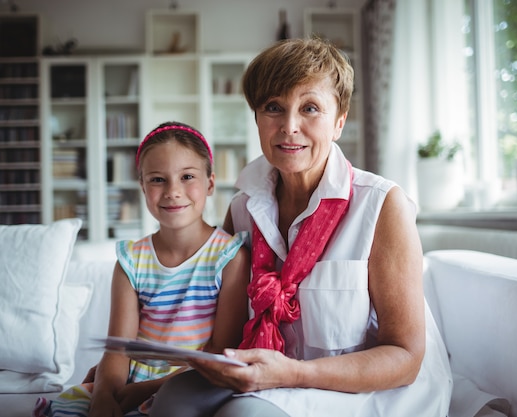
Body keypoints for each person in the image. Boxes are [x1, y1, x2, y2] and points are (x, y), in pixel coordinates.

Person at [149, 38, 453, 417]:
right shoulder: (242, 209)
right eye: (273, 108)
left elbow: (405, 357)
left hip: (367, 391)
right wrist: (140, 385)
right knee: (173, 402)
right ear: (257, 118)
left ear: (339, 121)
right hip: (270, 379)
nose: (289, 126)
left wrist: (293, 373)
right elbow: (224, 333)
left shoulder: (381, 204)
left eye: (310, 108)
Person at [33, 122, 251, 417]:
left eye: (187, 176)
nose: (173, 191)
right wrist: (103, 394)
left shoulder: (230, 258)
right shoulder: (131, 261)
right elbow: (119, 348)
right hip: (131, 380)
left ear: (210, 183)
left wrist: (147, 390)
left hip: (193, 382)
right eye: (158, 179)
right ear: (143, 186)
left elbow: (221, 352)